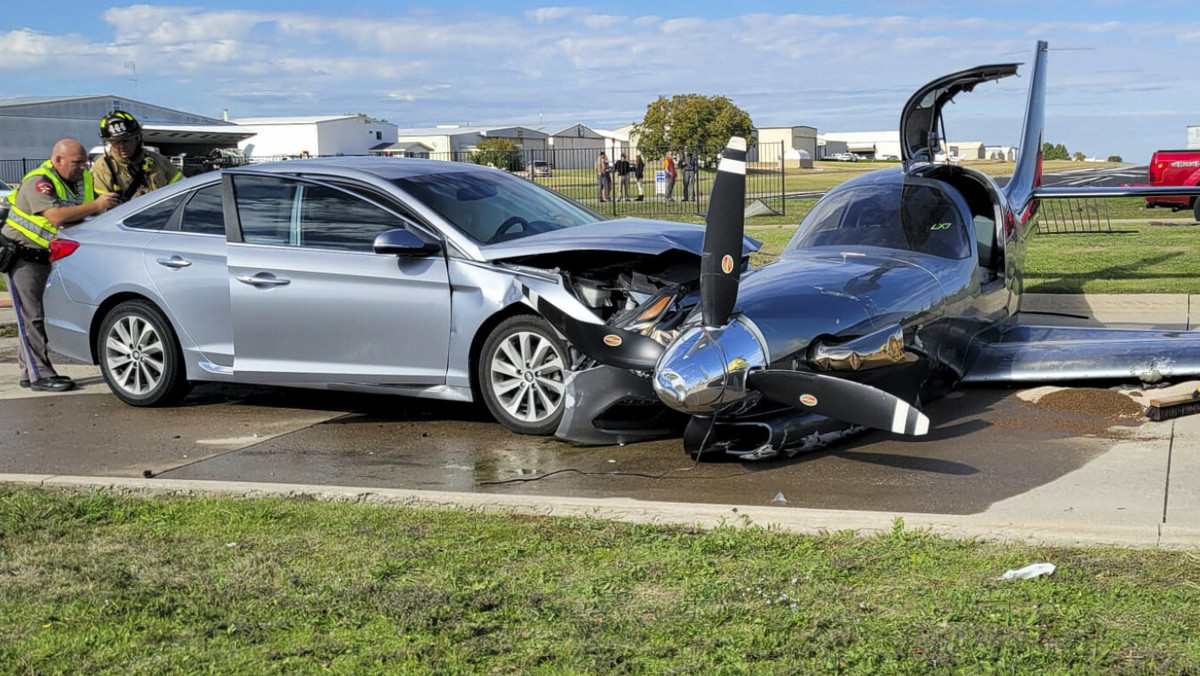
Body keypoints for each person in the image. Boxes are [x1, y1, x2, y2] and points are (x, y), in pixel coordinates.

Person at [2, 140, 120, 392]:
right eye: (77, 162)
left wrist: (103, 208)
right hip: (23, 256)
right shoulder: (39, 181)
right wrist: (98, 206)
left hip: (50, 256)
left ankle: (29, 370)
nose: (82, 167)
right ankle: (40, 375)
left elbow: (83, 211)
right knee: (30, 317)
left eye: (85, 161)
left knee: (35, 315)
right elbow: (55, 217)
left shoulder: (82, 181)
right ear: (58, 160)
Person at [91, 110, 182, 201]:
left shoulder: (159, 162)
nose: (122, 146)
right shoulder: (102, 169)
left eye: (126, 140)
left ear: (137, 138)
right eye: (116, 142)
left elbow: (182, 190)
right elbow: (104, 208)